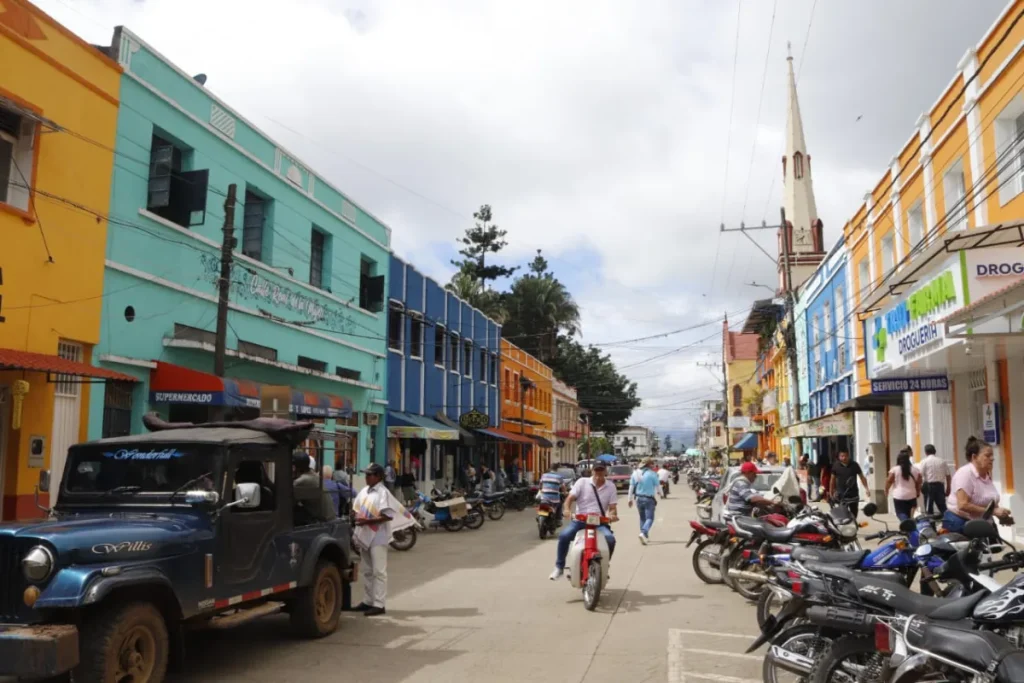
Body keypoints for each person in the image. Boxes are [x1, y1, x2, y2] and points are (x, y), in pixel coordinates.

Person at [549, 462, 618, 580]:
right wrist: (567, 510)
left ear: (605, 471)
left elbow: (612, 508)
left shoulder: (611, 486)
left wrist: (612, 515)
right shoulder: (582, 482)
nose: (599, 474)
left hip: (600, 522)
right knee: (564, 536)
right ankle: (559, 567)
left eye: (601, 471)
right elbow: (569, 499)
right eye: (596, 471)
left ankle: (604, 566)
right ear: (592, 471)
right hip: (580, 520)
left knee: (610, 539)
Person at [351, 463, 396, 616]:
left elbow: (388, 515)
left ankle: (379, 604)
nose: (366, 477)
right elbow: (356, 508)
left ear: (378, 477)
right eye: (366, 474)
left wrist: (367, 521)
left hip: (378, 536)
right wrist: (355, 516)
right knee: (367, 571)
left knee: (379, 571)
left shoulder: (383, 493)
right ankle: (368, 601)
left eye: (369, 475)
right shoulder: (364, 491)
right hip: (365, 535)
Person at [944, 438, 1012, 533]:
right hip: (962, 524)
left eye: (992, 455)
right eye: (987, 455)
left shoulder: (986, 475)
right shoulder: (965, 474)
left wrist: (1001, 515)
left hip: (983, 523)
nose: (992, 458)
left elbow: (990, 502)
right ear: (974, 457)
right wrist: (993, 512)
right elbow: (963, 505)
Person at [292, 451, 337, 523]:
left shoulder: (302, 480)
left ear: (295, 467)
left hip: (322, 521)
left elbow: (288, 502)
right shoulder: (313, 474)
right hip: (329, 518)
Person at [829, 450, 869, 520]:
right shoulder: (836, 466)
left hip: (853, 494)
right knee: (843, 515)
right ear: (839, 457)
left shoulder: (855, 465)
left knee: (854, 514)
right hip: (841, 495)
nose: (844, 458)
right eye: (842, 456)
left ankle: (853, 524)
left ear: (848, 456)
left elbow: (862, 477)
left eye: (846, 456)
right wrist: (831, 492)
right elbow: (832, 480)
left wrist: (867, 488)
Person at [628, 458, 660, 544]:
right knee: (649, 518)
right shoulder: (652, 474)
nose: (653, 465)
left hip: (638, 498)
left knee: (642, 518)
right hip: (649, 499)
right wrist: (661, 493)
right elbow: (658, 486)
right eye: (652, 464)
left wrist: (629, 499)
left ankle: (644, 536)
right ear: (649, 465)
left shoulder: (635, 473)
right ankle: (643, 533)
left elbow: (631, 487)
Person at [886, 448, 922, 521]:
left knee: (900, 513)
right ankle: (908, 524)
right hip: (912, 495)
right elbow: (919, 483)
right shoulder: (916, 470)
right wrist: (918, 492)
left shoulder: (894, 469)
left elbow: (889, 481)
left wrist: (886, 490)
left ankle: (906, 522)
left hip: (899, 496)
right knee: (909, 514)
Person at [921, 444, 951, 514]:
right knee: (942, 507)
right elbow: (948, 476)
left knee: (928, 508)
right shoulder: (942, 461)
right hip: (940, 486)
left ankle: (930, 521)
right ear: (935, 451)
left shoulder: (924, 462)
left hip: (929, 486)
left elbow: (920, 475)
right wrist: (948, 488)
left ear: (926, 452)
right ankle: (948, 519)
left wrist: (920, 486)